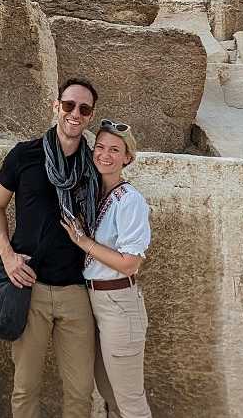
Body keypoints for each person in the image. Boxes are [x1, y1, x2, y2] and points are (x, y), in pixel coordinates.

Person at [0, 78, 100, 418]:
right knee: (25, 388)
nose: (74, 114)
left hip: (76, 290)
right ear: (56, 106)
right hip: (29, 286)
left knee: (81, 393)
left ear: (91, 116)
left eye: (84, 109)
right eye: (68, 105)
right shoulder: (25, 155)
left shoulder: (94, 165)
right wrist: (7, 256)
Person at [61, 120, 152, 418]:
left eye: (115, 150)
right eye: (100, 147)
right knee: (109, 390)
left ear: (128, 157)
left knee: (130, 401)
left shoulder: (130, 201)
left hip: (119, 304)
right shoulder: (94, 194)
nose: (105, 155)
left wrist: (82, 241)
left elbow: (130, 262)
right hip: (95, 303)